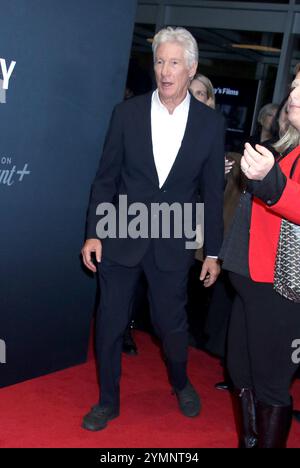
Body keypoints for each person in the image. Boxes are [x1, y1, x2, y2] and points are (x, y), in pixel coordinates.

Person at [81, 26, 225, 431]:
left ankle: (180, 382)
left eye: (174, 63)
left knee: (171, 325)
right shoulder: (126, 113)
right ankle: (108, 400)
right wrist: (94, 232)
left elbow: (213, 194)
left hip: (172, 240)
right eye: (160, 61)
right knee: (109, 321)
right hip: (121, 233)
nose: (165, 70)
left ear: (192, 68)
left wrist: (213, 252)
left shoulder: (210, 125)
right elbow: (105, 178)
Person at [220, 65, 300, 448]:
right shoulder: (290, 146)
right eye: (295, 86)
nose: (294, 95)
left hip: (280, 289)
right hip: (252, 284)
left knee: (270, 383)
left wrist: (269, 182)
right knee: (240, 371)